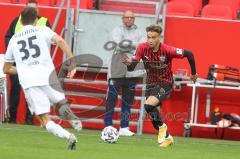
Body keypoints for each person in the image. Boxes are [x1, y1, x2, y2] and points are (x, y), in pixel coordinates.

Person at [3, 7, 78, 149]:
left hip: (30, 82)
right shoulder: (42, 29)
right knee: (59, 103)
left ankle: (68, 136)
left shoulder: (13, 39)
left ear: (21, 20)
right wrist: (73, 62)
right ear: (36, 19)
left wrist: (24, 69)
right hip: (47, 76)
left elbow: (6, 69)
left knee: (44, 120)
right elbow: (61, 41)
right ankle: (71, 117)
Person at [123, 24, 197, 147]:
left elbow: (189, 54)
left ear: (159, 37)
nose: (150, 40)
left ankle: (163, 128)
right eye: (148, 37)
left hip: (165, 83)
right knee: (154, 119)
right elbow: (132, 67)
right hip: (151, 83)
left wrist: (194, 73)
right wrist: (129, 64)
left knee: (148, 105)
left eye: (153, 37)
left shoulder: (168, 50)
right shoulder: (142, 48)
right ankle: (168, 137)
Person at [5, 0, 51, 124]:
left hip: (36, 65)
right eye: (30, 8)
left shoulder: (44, 22)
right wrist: (13, 56)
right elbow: (8, 37)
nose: (32, 11)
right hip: (18, 63)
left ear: (38, 10)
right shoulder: (17, 20)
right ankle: (12, 118)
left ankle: (30, 119)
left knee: (34, 91)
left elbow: (48, 42)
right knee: (15, 89)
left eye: (34, 9)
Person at [104, 10, 144, 136]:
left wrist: (128, 44)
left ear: (134, 19)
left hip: (132, 70)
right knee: (111, 99)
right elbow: (118, 45)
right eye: (126, 17)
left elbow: (143, 46)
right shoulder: (116, 30)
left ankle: (124, 127)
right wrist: (134, 46)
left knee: (128, 100)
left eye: (131, 17)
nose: (129, 20)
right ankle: (108, 125)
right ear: (122, 19)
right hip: (117, 69)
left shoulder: (139, 31)